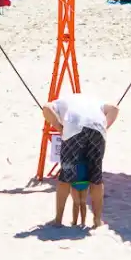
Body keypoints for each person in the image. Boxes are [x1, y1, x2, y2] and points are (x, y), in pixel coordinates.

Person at [42, 93, 120, 228]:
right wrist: (104, 127)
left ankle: (58, 219)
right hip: (97, 129)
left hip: (74, 127)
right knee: (96, 177)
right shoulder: (95, 101)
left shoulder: (61, 102)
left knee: (66, 176)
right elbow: (115, 108)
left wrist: (59, 127)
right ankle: (97, 220)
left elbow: (46, 108)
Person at [70, 162, 89, 227]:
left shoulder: (73, 157)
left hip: (75, 179)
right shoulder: (86, 157)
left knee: (76, 203)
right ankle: (83, 222)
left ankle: (74, 222)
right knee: (83, 202)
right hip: (85, 179)